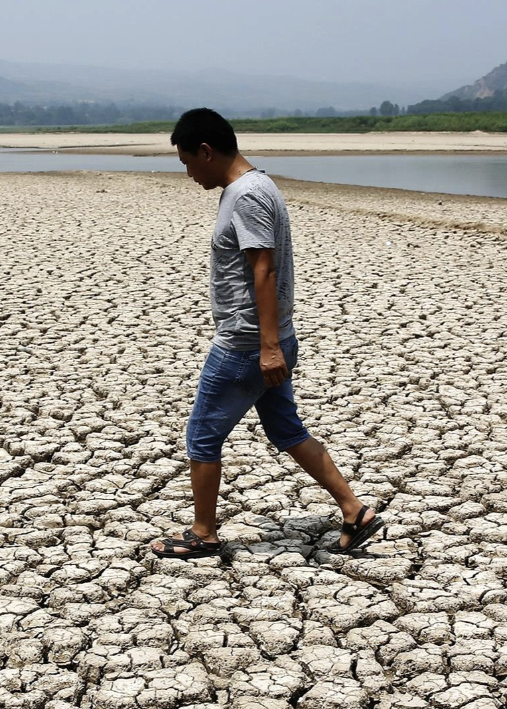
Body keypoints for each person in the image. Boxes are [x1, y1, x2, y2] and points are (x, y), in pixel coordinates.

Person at [150, 108, 383, 559]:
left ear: (206, 150)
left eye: (187, 161)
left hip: (246, 344)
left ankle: (203, 533)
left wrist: (269, 347)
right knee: (287, 430)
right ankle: (354, 511)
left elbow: (263, 268)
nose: (188, 172)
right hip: (264, 342)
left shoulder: (247, 196)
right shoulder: (252, 186)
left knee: (201, 437)